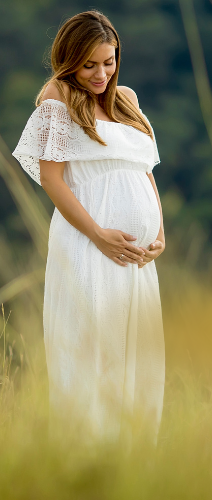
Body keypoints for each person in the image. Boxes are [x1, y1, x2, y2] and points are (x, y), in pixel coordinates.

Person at [12, 10, 165, 450]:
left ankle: (135, 463)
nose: (102, 74)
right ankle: (86, 465)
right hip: (88, 247)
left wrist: (159, 233)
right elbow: (52, 179)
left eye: (110, 61)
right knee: (95, 355)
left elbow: (143, 171)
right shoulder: (57, 97)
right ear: (69, 60)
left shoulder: (126, 99)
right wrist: (98, 233)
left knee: (140, 358)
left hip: (137, 259)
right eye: (90, 65)